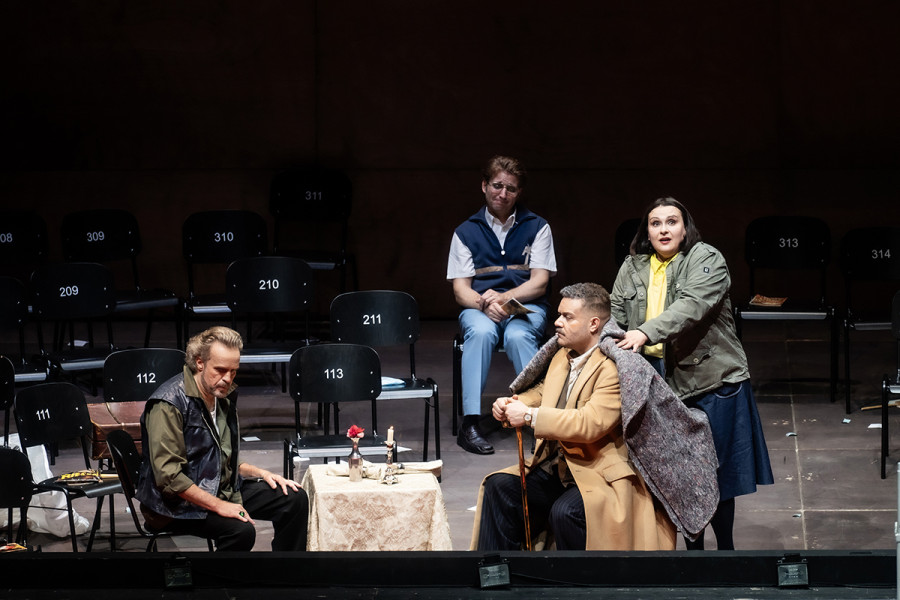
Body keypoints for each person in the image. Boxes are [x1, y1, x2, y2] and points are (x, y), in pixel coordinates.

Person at [610, 196, 774, 550]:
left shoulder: (706, 258)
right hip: (658, 382)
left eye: (672, 222)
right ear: (647, 232)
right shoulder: (633, 267)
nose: (664, 229)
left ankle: (726, 550)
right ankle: (693, 554)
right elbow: (614, 314)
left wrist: (644, 332)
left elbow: (691, 307)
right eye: (656, 223)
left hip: (711, 380)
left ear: (685, 229)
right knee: (679, 475)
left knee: (717, 474)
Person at [471, 283, 676, 551]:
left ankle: (576, 589)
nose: (557, 323)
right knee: (499, 487)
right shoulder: (562, 356)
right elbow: (544, 391)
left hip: (599, 473)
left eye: (567, 317)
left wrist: (530, 416)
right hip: (561, 467)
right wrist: (513, 404)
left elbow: (589, 423)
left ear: (593, 324)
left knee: (566, 512)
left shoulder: (616, 367)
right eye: (558, 315)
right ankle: (498, 577)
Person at [136, 326, 308, 551]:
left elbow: (219, 457)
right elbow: (169, 479)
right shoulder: (168, 404)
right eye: (220, 370)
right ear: (200, 363)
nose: (227, 379)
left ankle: (287, 577)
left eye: (233, 371)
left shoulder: (221, 397)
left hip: (218, 487)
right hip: (175, 504)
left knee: (293, 499)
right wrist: (220, 506)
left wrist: (264, 474)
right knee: (240, 530)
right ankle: (221, 585)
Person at [447, 155, 557, 454]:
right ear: (484, 186)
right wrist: (485, 304)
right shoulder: (465, 231)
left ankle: (541, 419)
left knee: (519, 335)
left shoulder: (537, 226)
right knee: (481, 333)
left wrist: (506, 299)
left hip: (525, 305)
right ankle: (470, 423)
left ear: (518, 192)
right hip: (480, 306)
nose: (503, 194)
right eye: (497, 186)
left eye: (510, 188)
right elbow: (460, 290)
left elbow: (540, 283)